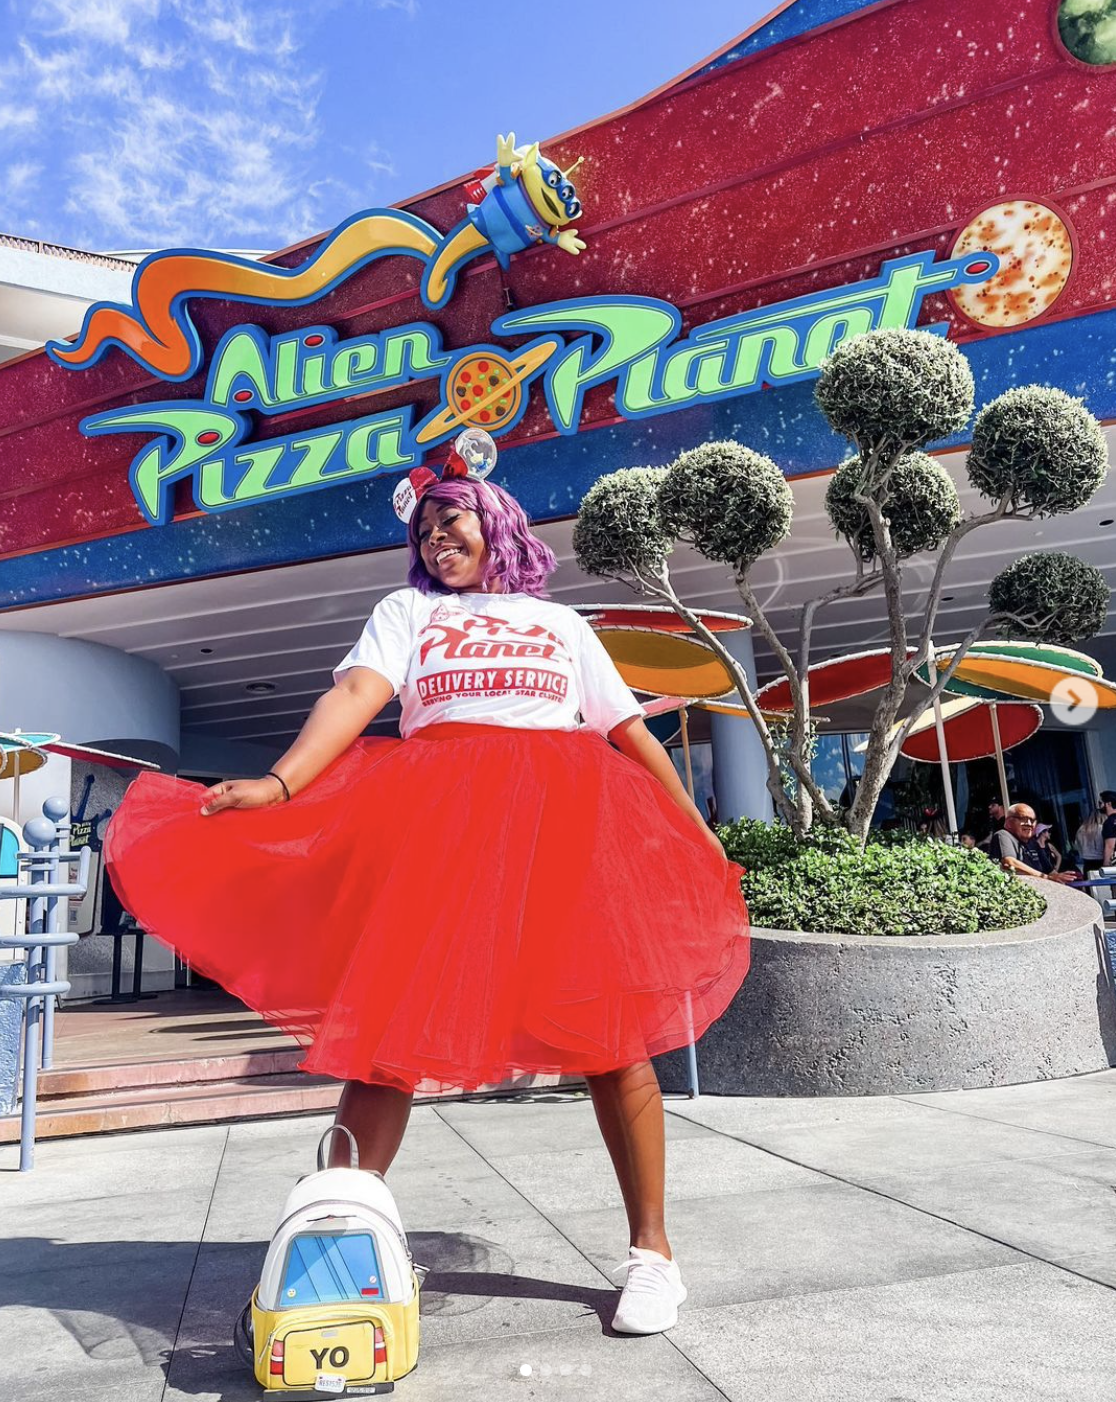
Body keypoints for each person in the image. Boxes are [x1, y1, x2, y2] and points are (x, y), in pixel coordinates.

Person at [104, 467, 750, 1338]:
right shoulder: (408, 614)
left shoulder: (561, 625)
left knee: (612, 1037)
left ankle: (653, 1258)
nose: (435, 541)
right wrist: (281, 783)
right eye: (424, 533)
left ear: (499, 526)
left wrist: (698, 835)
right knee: (389, 1040)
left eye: (453, 525)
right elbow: (356, 695)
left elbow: (626, 731)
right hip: (440, 844)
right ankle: (336, 1244)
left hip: (565, 840)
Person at [986, 804, 1077, 884]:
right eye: (1024, 819)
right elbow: (1009, 863)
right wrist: (1047, 878)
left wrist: (1060, 878)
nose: (1029, 824)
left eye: (1032, 820)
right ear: (1009, 822)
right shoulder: (1003, 835)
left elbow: (1050, 871)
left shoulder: (1033, 843)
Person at [1074, 806, 1106, 872]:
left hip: (1087, 863)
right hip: (1101, 861)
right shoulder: (1102, 828)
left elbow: (1076, 846)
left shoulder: (1081, 830)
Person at [1101, 791, 1116, 868]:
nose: (1100, 806)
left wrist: (1106, 867)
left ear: (1108, 804)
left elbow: (1110, 846)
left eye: (1101, 803)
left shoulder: (1110, 822)